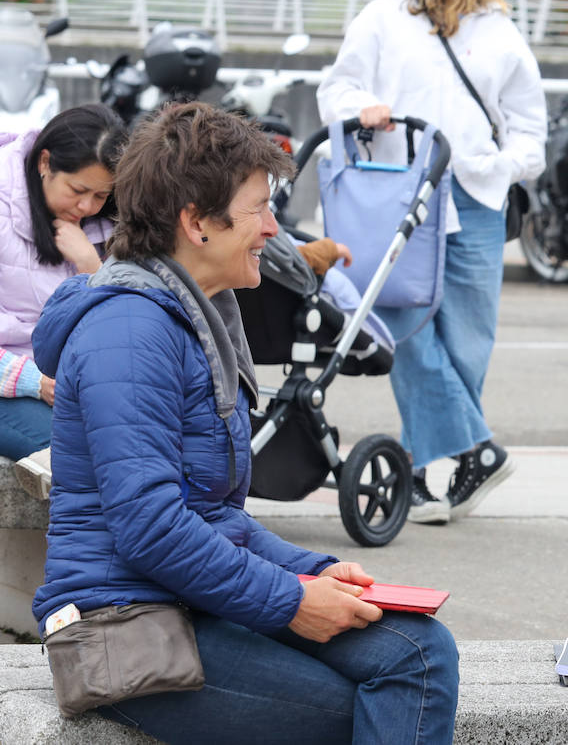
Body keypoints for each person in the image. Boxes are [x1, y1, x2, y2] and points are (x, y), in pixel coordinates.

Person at [29, 103, 459, 743]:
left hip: (185, 598)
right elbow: (150, 526)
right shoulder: (130, 330)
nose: (271, 228)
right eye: (259, 208)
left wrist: (309, 571)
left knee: (417, 646)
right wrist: (290, 601)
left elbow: (211, 514)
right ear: (197, 223)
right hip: (123, 624)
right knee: (367, 700)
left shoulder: (196, 314)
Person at [318, 0, 547, 525]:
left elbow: (532, 127)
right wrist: (357, 108)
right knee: (403, 328)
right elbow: (335, 87)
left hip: (476, 198)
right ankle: (476, 451)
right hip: (401, 196)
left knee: (468, 342)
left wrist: (503, 166)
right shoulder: (386, 18)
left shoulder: (499, 30)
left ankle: (427, 472)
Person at [0, 104, 128, 496]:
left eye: (100, 195)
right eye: (77, 191)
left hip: (74, 385)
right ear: (45, 162)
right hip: (12, 386)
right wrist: (36, 383)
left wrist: (93, 267)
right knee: (82, 461)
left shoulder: (108, 222)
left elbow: (128, 320)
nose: (87, 207)